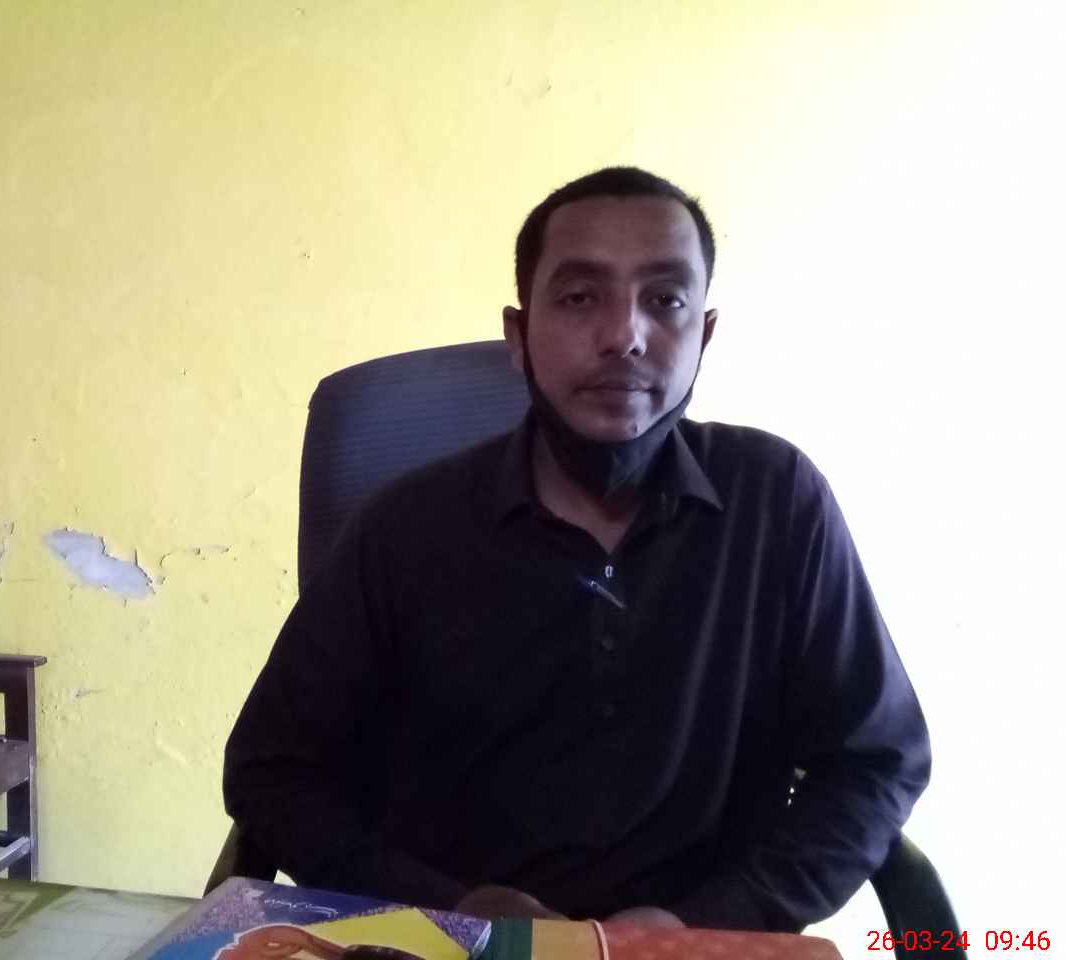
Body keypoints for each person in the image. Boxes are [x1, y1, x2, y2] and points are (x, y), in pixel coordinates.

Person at [223, 167, 930, 932]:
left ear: (704, 335)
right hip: (449, 944)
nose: (624, 335)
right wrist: (451, 912)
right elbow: (272, 771)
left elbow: (874, 761)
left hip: (705, 947)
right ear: (518, 336)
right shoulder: (402, 528)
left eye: (665, 300)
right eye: (579, 297)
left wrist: (712, 921)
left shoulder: (779, 502)